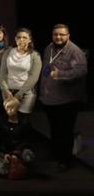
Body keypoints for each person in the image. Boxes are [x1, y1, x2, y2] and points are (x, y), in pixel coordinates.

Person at [39, 24, 88, 171]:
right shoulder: (49, 48)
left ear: (68, 36)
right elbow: (47, 68)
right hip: (50, 98)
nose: (58, 37)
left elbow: (81, 71)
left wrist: (60, 75)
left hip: (67, 100)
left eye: (62, 34)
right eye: (55, 34)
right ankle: (57, 154)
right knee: (54, 129)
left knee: (65, 131)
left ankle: (66, 160)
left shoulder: (75, 51)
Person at [0, 28, 41, 127]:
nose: (21, 40)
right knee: (9, 121)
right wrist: (7, 92)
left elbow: (34, 77)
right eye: (19, 37)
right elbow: (2, 74)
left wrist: (18, 95)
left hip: (26, 93)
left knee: (23, 122)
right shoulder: (8, 52)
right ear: (15, 39)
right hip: (8, 92)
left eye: (24, 37)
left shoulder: (35, 55)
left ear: (30, 40)